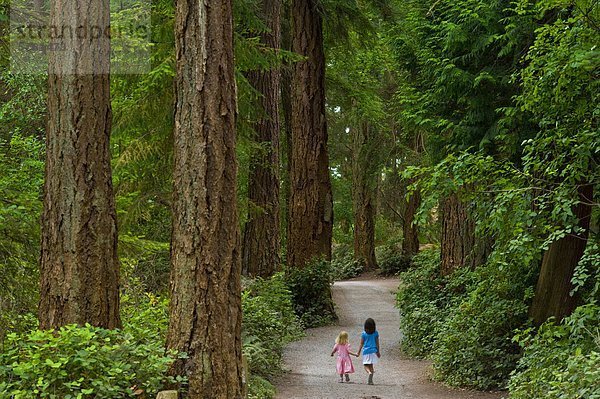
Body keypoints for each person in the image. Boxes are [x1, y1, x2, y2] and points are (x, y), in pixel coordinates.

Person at [356, 318, 380, 385]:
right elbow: (377, 343)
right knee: (371, 365)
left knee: (366, 365)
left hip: (366, 351)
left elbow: (361, 343)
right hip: (373, 351)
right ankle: (371, 380)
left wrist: (358, 352)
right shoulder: (375, 333)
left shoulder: (364, 333)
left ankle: (369, 372)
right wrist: (378, 352)